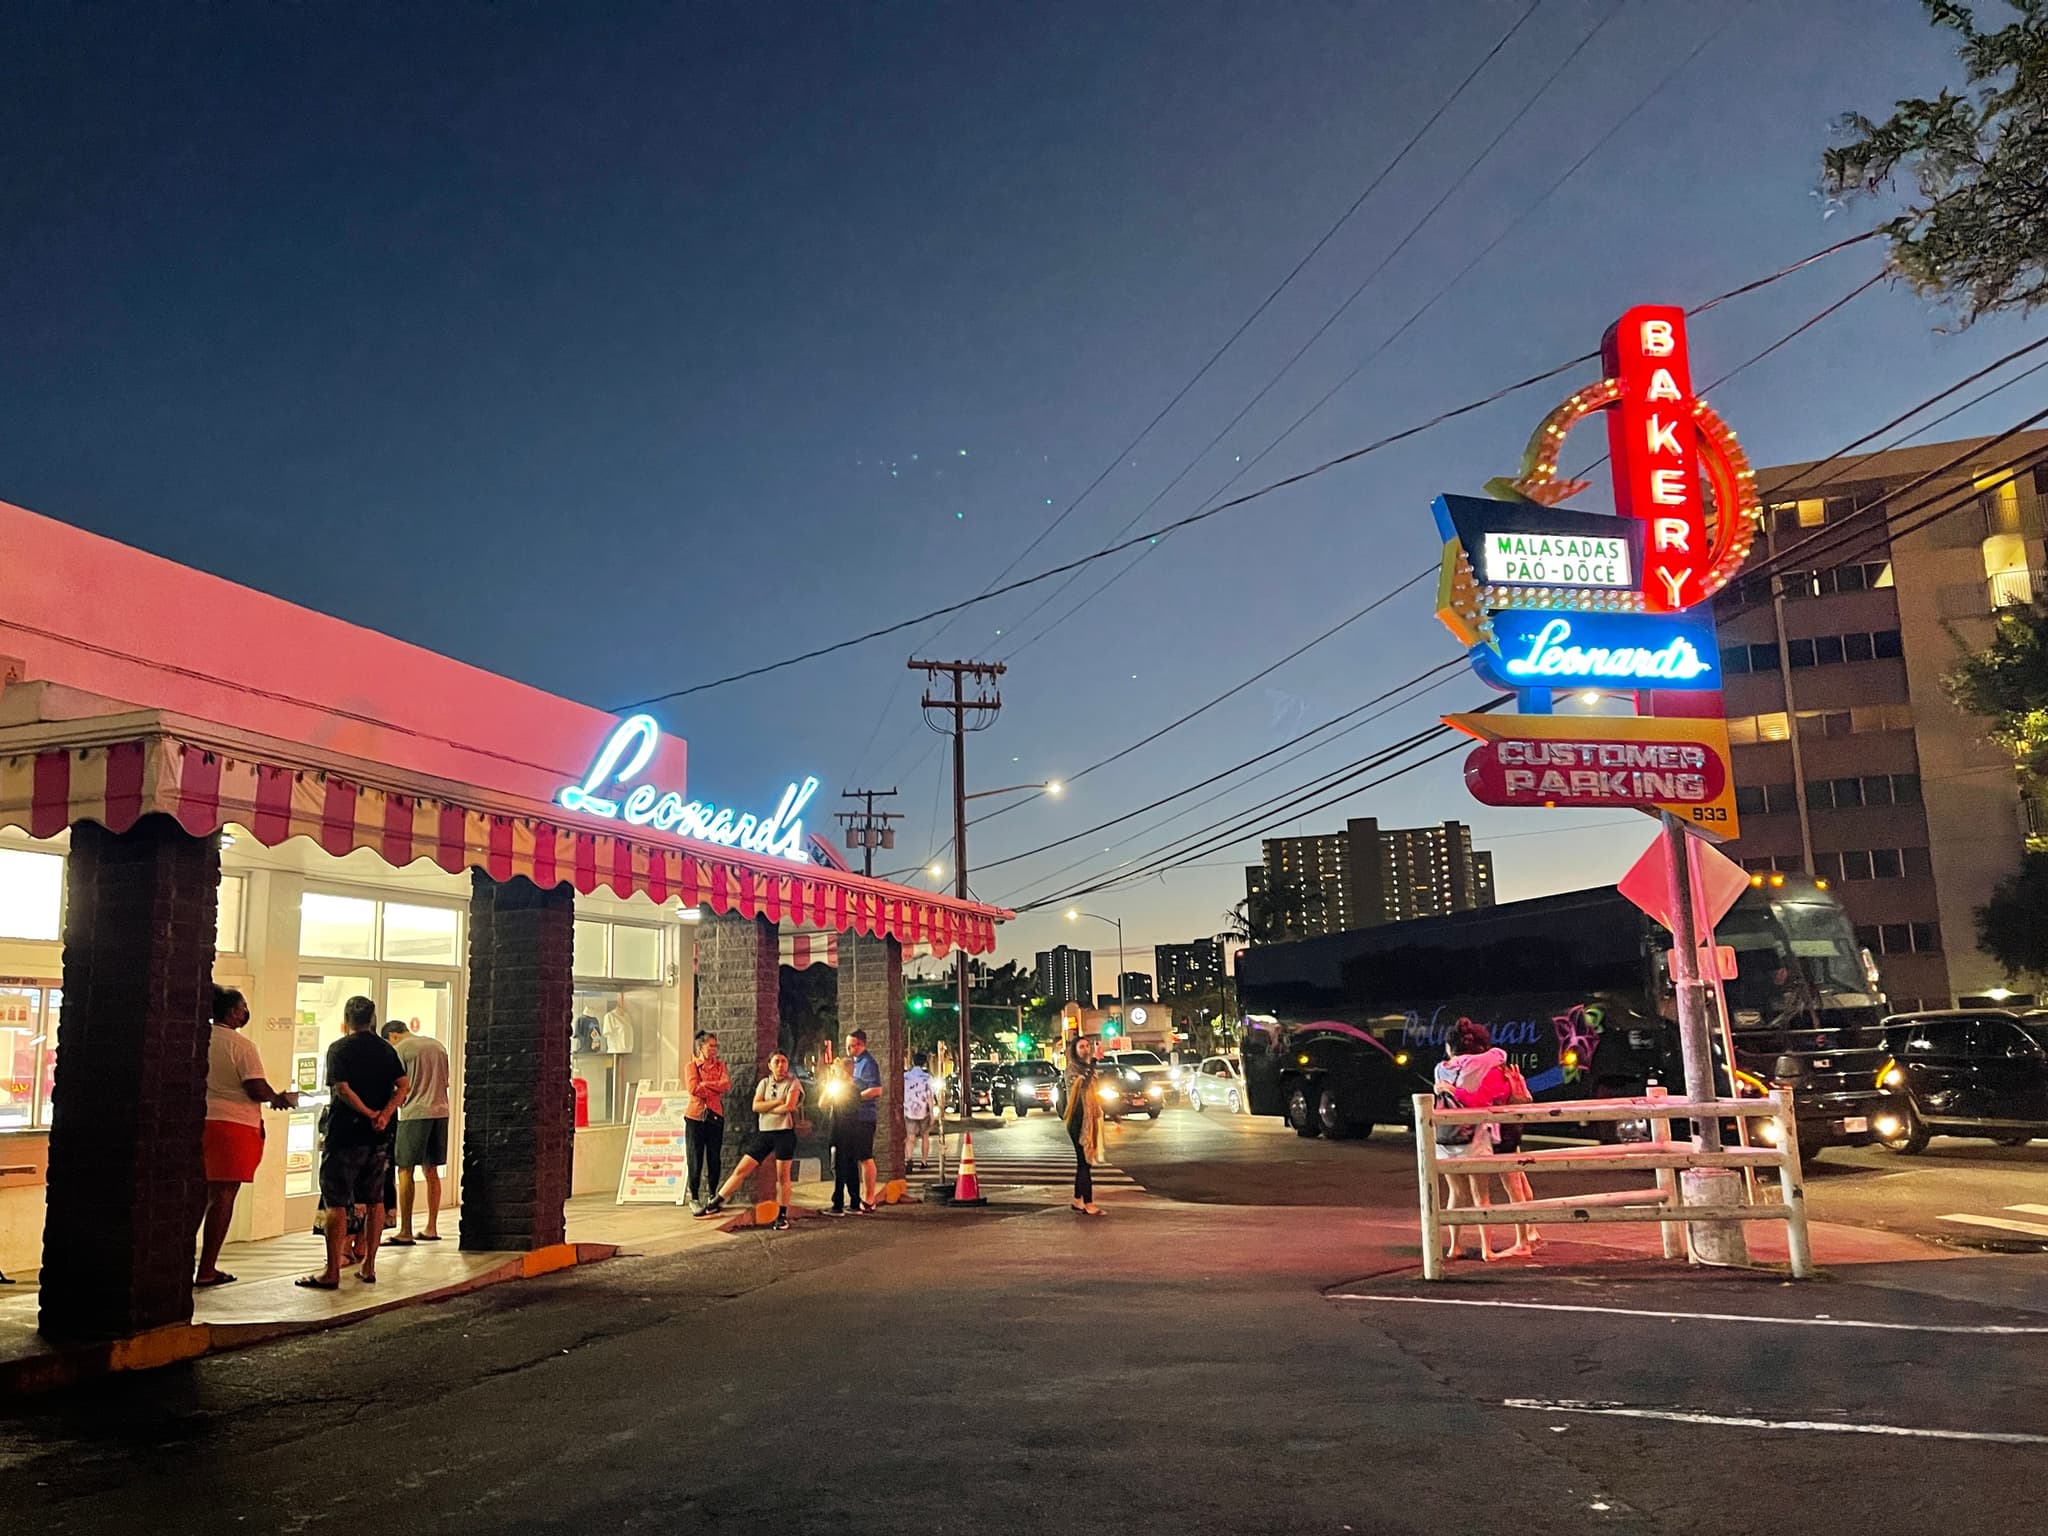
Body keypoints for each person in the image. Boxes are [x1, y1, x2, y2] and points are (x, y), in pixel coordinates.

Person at [299, 996, 407, 1289]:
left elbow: (342, 1089)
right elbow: (403, 1086)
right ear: (373, 1019)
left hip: (345, 1134)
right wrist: (384, 1114)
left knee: (336, 1201)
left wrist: (368, 1112)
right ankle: (369, 1266)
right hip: (379, 1138)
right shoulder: (386, 1049)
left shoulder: (339, 1049)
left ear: (347, 1019)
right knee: (375, 1200)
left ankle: (332, 1270)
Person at [195, 986, 295, 1286]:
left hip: (201, 1121)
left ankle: (182, 1263)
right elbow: (255, 1087)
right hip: (234, 1125)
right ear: (231, 1012)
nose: (245, 1012)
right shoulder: (241, 1045)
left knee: (198, 1194)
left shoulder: (199, 1039)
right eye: (242, 1007)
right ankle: (207, 1267)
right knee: (224, 1195)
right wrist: (277, 1098)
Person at [1434, 1019, 1515, 1263]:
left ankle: (1454, 1246)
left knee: (1456, 1193)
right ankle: (1487, 1249)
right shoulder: (1482, 1063)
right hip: (1475, 1138)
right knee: (1482, 1196)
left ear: (1450, 1046)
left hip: (1446, 1138)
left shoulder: (1440, 1068)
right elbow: (1499, 1054)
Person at [701, 1053, 803, 1228]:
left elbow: (790, 1106)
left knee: (783, 1176)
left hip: (784, 1133)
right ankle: (716, 1202)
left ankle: (782, 1215)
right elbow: (756, 1106)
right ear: (770, 1065)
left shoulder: (793, 1083)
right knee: (742, 1168)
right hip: (765, 1133)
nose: (781, 1065)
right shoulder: (764, 1083)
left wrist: (768, 1106)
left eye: (784, 1061)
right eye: (777, 1062)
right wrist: (777, 1102)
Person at [380, 1019, 451, 1245]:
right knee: (432, 1170)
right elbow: (445, 1081)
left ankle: (406, 1230)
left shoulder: (401, 1049)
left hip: (414, 1113)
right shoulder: (437, 1045)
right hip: (441, 1111)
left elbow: (400, 1085)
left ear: (392, 1036)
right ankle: (431, 1226)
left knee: (405, 1169)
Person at [682, 1030, 731, 1214]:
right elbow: (693, 1088)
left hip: (715, 1115)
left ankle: (712, 1195)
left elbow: (725, 1084)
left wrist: (706, 1085)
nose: (714, 1049)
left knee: (714, 1157)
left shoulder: (720, 1066)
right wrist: (712, 1087)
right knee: (695, 1157)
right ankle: (694, 1197)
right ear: (700, 1047)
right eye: (710, 1046)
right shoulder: (691, 1067)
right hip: (696, 1117)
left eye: (715, 1046)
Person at [1062, 1034, 1107, 1216]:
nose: (1085, 1050)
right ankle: (1089, 1203)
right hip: (1077, 1121)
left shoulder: (1088, 1068)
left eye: (1087, 1046)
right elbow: (1082, 1085)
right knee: (1084, 1162)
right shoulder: (1072, 1070)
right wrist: (1095, 1060)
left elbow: (1094, 1093)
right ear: (1074, 1050)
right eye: (1081, 1047)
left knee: (1083, 1163)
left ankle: (1077, 1199)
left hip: (1089, 1118)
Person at [844, 1028, 883, 1211]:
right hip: (853, 1116)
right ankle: (858, 1196)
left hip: (864, 1116)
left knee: (865, 1157)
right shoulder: (855, 1063)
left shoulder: (868, 1063)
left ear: (860, 1044)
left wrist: (855, 1097)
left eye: (851, 1046)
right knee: (856, 1157)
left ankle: (869, 1198)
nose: (848, 1050)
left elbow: (876, 1089)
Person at [822, 1059, 858, 1216]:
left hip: (839, 1133)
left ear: (844, 1071)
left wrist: (830, 1083)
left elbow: (822, 1103)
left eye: (837, 1070)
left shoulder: (841, 1090)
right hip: (851, 1133)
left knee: (838, 1168)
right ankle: (855, 1202)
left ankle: (837, 1204)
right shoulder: (855, 1089)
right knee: (851, 1167)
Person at [902, 1051, 935, 1171]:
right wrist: (932, 1113)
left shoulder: (905, 1077)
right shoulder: (927, 1077)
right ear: (924, 1063)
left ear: (912, 1062)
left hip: (909, 1110)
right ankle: (924, 1161)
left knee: (910, 1137)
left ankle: (909, 1159)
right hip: (923, 1111)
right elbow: (929, 1096)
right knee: (925, 1136)